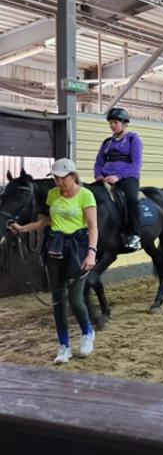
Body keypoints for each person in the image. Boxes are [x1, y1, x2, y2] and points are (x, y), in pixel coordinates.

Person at [7, 158, 98, 364]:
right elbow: (47, 220)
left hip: (78, 248)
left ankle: (87, 332)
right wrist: (23, 228)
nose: (58, 181)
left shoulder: (86, 195)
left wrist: (91, 253)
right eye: (55, 178)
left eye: (62, 178)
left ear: (72, 176)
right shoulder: (52, 194)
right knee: (58, 300)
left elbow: (93, 227)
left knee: (75, 299)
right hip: (56, 247)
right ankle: (64, 346)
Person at [94, 107, 143, 251]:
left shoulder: (133, 139)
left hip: (127, 177)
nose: (112, 125)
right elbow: (99, 162)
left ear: (124, 123)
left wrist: (118, 176)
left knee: (132, 200)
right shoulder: (107, 142)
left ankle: (135, 235)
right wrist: (98, 175)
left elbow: (136, 164)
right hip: (105, 178)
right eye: (111, 122)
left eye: (115, 122)